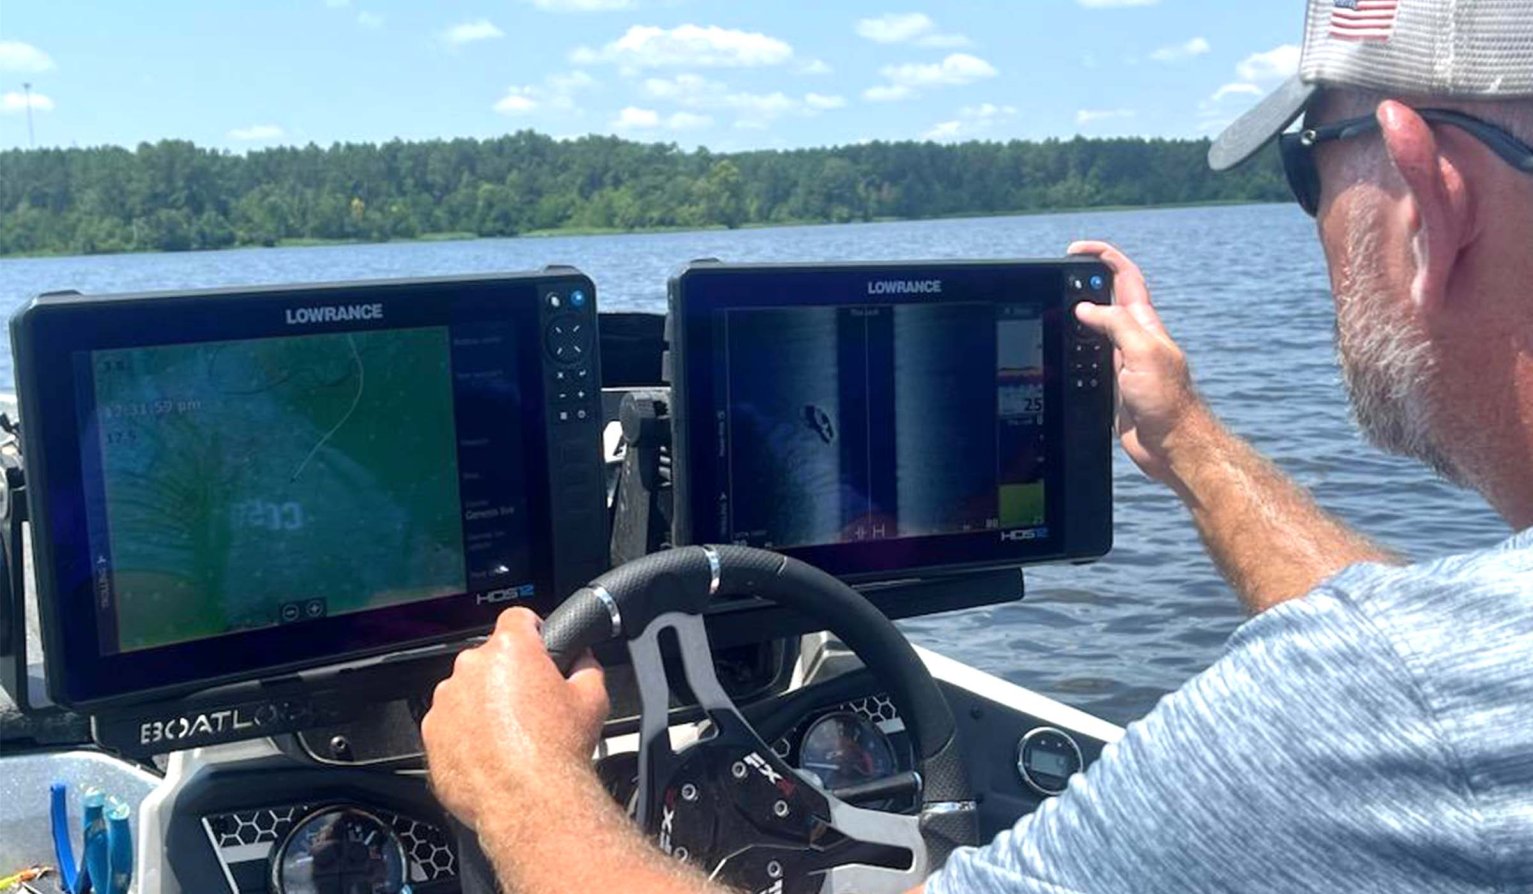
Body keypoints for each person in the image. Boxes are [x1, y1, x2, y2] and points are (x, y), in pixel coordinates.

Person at [421, 0, 1533, 890]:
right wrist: (1185, 440)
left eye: (1308, 169)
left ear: (1424, 194)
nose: (1319, 215)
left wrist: (524, 794)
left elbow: (1388, 697)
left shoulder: (1379, 721)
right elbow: (1413, 667)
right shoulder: (1452, 692)